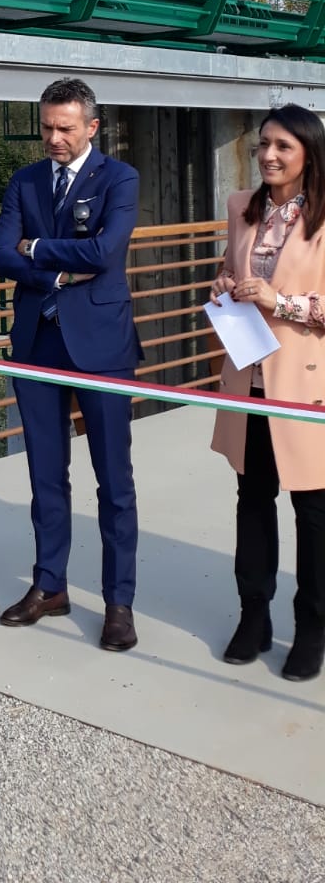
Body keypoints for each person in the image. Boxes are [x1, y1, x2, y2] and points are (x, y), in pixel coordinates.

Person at [0, 76, 141, 651]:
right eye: (47, 127)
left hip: (101, 345)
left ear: (92, 127)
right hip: (37, 341)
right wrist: (55, 269)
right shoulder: (25, 180)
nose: (53, 138)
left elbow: (104, 252)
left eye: (65, 128)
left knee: (114, 480)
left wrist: (35, 247)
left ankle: (118, 603)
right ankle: (49, 585)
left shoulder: (119, 178)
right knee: (45, 475)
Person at [209, 103, 325, 683]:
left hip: (306, 385)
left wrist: (279, 302)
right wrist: (225, 282)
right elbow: (229, 268)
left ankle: (312, 627)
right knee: (252, 501)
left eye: (283, 146)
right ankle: (253, 616)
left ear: (309, 153)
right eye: (263, 144)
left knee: (313, 512)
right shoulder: (242, 207)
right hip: (248, 379)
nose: (269, 156)